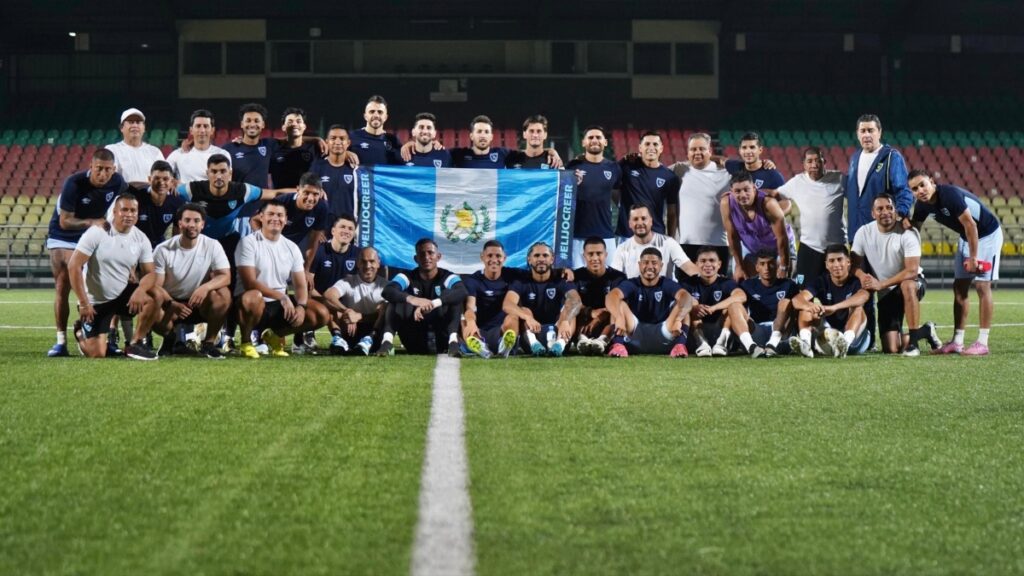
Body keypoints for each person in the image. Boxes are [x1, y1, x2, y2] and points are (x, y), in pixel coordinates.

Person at [909, 170, 1003, 355]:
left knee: (982, 286)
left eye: (922, 185)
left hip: (986, 234)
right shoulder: (921, 205)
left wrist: (973, 258)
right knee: (959, 287)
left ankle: (983, 342)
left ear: (931, 182)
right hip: (966, 237)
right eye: (914, 189)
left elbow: (971, 225)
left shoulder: (949, 195)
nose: (920, 190)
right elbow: (914, 231)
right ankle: (957, 342)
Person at [45, 148, 127, 357]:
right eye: (99, 168)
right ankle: (61, 342)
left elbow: (129, 197)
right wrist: (93, 222)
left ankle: (102, 336)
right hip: (63, 235)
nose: (103, 174)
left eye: (107, 169)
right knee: (64, 284)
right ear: (91, 166)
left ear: (114, 169)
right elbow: (65, 221)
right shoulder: (74, 183)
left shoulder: (117, 182)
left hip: (92, 234)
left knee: (105, 282)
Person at [67, 192, 159, 360]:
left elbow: (151, 273)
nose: (129, 214)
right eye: (124, 210)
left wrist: (140, 290)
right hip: (96, 302)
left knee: (155, 295)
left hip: (122, 295)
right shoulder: (97, 233)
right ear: (115, 212)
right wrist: (83, 303)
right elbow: (74, 266)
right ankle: (80, 333)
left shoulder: (141, 238)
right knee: (97, 354)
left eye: (133, 210)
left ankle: (135, 344)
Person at [234, 199, 331, 359]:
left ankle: (272, 335)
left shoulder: (291, 247)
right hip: (250, 304)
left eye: (280, 215)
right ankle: (246, 342)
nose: (275, 218)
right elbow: (250, 283)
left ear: (286, 220)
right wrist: (282, 297)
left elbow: (300, 285)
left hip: (278, 305)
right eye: (270, 214)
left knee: (321, 313)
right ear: (261, 217)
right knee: (254, 297)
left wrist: (301, 306)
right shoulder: (248, 243)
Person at [851, 194, 941, 356]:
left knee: (907, 284)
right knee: (891, 348)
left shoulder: (908, 233)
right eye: (880, 209)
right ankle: (925, 331)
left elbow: (912, 270)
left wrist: (881, 284)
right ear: (873, 213)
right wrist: (862, 276)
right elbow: (854, 265)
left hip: (912, 282)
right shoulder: (863, 232)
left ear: (895, 211)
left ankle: (913, 344)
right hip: (886, 292)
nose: (885, 212)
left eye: (889, 208)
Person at [142, 203, 231, 359]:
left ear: (203, 225)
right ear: (179, 223)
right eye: (187, 220)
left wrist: (205, 288)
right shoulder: (163, 249)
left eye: (196, 221)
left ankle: (209, 343)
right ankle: (170, 338)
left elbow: (225, 276)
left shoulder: (212, 245)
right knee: (151, 299)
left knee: (223, 294)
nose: (192, 225)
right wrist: (171, 303)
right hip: (172, 303)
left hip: (199, 302)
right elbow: (156, 285)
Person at [379, 238, 467, 356]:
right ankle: (387, 343)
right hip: (415, 338)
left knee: (454, 297)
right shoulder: (407, 276)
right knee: (395, 299)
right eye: (422, 254)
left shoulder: (447, 276)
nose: (426, 257)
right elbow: (387, 291)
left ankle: (453, 343)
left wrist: (432, 304)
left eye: (430, 253)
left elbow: (462, 291)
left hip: (441, 338)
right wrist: (414, 300)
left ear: (438, 257)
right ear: (416, 259)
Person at [774, 146, 847, 284]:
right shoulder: (797, 182)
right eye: (810, 161)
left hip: (836, 247)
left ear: (824, 162)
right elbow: (775, 194)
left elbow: (859, 196)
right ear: (804, 164)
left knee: (838, 289)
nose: (814, 164)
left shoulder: (839, 179)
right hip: (809, 247)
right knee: (804, 290)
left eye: (817, 160)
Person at [605, 247, 693, 358]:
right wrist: (619, 317)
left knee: (683, 305)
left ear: (661, 266)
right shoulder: (632, 283)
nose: (650, 266)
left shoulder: (666, 283)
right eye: (645, 262)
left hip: (663, 333)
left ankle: (680, 345)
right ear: (639, 265)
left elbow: (686, 297)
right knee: (618, 304)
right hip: (635, 333)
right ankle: (618, 345)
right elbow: (611, 296)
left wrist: (678, 319)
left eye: (654, 263)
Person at [500, 242, 582, 357]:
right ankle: (534, 345)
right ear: (529, 260)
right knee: (524, 310)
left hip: (559, 331)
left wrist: (565, 321)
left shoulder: (562, 279)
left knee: (570, 310)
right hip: (531, 333)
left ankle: (560, 345)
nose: (541, 259)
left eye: (545, 255)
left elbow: (576, 301)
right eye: (537, 255)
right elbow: (507, 304)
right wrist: (527, 317)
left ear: (552, 259)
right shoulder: (521, 281)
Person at [789, 244, 871, 358]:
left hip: (856, 339)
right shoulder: (821, 281)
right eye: (832, 261)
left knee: (858, 308)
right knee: (805, 307)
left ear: (848, 262)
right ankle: (805, 344)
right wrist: (809, 306)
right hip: (830, 334)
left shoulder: (857, 281)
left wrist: (834, 307)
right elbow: (796, 300)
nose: (836, 265)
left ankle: (844, 345)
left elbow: (864, 296)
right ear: (826, 265)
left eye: (839, 259)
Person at [720, 171, 794, 282]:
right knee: (742, 281)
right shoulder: (726, 203)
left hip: (779, 248)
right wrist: (739, 266)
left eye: (746, 190)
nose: (743, 195)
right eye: (737, 191)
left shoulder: (768, 204)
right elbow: (732, 236)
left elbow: (782, 237)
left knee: (782, 283)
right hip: (751, 248)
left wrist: (784, 267)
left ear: (754, 188)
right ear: (731, 192)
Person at [671, 132, 732, 264]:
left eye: (702, 149)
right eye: (693, 149)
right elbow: (655, 172)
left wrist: (765, 163)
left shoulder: (725, 173)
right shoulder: (679, 170)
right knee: (686, 278)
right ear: (688, 153)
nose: (697, 152)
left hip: (719, 244)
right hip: (685, 244)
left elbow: (749, 168)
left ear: (710, 151)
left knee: (718, 279)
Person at [726, 249, 800, 357]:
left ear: (777, 265)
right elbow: (739, 313)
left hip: (781, 335)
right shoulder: (747, 285)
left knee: (785, 302)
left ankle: (772, 345)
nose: (767, 268)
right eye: (762, 264)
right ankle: (751, 347)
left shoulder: (789, 284)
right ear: (757, 267)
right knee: (734, 305)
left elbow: (797, 312)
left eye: (771, 263)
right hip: (757, 332)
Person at [566, 125, 620, 267]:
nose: (594, 140)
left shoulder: (614, 168)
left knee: (611, 276)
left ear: (605, 142)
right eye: (590, 137)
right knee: (578, 277)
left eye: (598, 137)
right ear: (583, 142)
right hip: (577, 235)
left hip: (605, 234)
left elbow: (618, 197)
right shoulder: (571, 167)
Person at [461, 240, 524, 359]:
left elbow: (536, 273)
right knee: (464, 321)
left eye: (498, 256)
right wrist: (471, 322)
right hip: (479, 330)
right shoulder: (473, 280)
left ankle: (504, 347)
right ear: (482, 257)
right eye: (490, 256)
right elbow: (470, 307)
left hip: (502, 330)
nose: (494, 260)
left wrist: (560, 272)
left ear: (504, 258)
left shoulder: (512, 275)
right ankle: (481, 347)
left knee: (513, 316)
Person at [322, 247, 388, 355]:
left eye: (372, 261)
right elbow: (328, 296)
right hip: (350, 330)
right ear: (358, 263)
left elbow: (387, 313)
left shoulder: (385, 286)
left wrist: (360, 317)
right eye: (363, 262)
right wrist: (347, 311)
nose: (368, 266)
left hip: (374, 331)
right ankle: (338, 339)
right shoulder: (348, 281)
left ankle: (369, 339)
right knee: (330, 305)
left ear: (378, 263)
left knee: (386, 307)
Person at [309, 214, 361, 349]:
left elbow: (360, 288)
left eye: (350, 228)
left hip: (344, 305)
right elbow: (308, 287)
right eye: (342, 227)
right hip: (318, 300)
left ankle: (342, 337)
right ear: (333, 231)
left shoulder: (358, 255)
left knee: (351, 338)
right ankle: (307, 334)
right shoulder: (319, 251)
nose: (346, 231)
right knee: (327, 307)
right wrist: (329, 302)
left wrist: (352, 312)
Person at [615, 131, 680, 240]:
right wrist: (622, 160)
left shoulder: (670, 177)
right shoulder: (627, 167)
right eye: (647, 144)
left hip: (656, 235)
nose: (651, 147)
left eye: (655, 144)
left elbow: (672, 213)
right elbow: (608, 176)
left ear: (661, 148)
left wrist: (670, 240)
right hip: (627, 235)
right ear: (640, 148)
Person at [683, 246, 742, 357]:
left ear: (719, 264)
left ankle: (722, 342)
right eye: (703, 261)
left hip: (720, 327)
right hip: (695, 329)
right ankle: (701, 343)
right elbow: (678, 301)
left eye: (712, 260)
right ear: (696, 264)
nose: (707, 264)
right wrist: (694, 307)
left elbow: (741, 295)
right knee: (690, 305)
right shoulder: (687, 283)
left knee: (732, 306)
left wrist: (714, 307)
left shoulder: (726, 282)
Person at [572, 237, 626, 355]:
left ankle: (603, 340)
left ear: (606, 255)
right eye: (590, 254)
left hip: (607, 322)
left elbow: (619, 304)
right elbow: (571, 302)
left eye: (599, 253)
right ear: (584, 256)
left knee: (618, 308)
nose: (595, 258)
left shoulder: (618, 277)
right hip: (584, 321)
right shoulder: (575, 276)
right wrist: (590, 312)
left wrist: (598, 319)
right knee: (571, 308)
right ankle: (582, 340)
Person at [611, 204, 697, 279]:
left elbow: (688, 267)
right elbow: (614, 278)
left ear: (651, 221)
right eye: (635, 219)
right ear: (629, 224)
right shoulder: (622, 249)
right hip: (634, 292)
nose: (640, 223)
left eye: (644, 218)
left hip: (666, 291)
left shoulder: (669, 243)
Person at [117, 160, 184, 248]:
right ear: (149, 179)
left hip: (158, 245)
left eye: (165, 179)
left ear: (172, 182)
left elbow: (177, 235)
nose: (161, 182)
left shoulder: (177, 202)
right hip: (134, 243)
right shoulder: (136, 197)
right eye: (157, 178)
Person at [309, 125, 359, 226]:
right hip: (321, 227)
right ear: (327, 142)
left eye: (342, 138)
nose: (337, 142)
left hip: (346, 228)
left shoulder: (356, 170)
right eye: (333, 138)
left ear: (348, 143)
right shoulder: (317, 167)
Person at [166, 109, 231, 184]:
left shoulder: (223, 154)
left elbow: (227, 183)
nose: (202, 130)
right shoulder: (178, 154)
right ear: (191, 130)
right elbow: (163, 175)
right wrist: (174, 184)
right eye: (198, 126)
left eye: (206, 126)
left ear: (212, 130)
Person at [105, 107, 164, 186]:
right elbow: (109, 179)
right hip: (123, 193)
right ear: (121, 128)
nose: (135, 125)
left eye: (138, 122)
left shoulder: (155, 152)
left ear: (144, 128)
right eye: (131, 122)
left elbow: (164, 178)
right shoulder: (111, 150)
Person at [349, 95, 402, 166]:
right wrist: (344, 154)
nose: (376, 115)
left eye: (380, 112)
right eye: (372, 112)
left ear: (385, 117)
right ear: (365, 116)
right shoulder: (352, 137)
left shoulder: (393, 140)